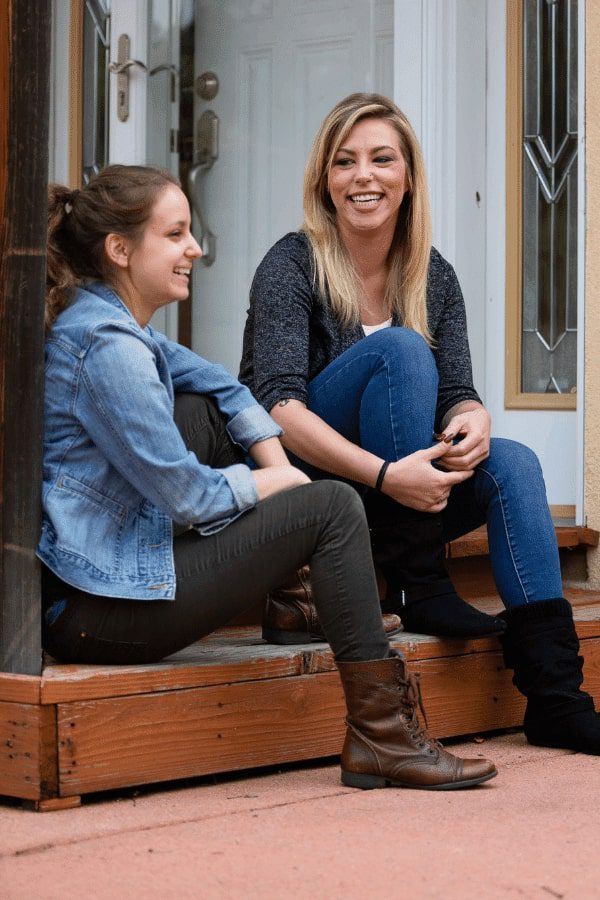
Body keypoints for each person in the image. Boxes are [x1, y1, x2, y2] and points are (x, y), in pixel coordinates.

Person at [39, 163, 496, 791]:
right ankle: (382, 733)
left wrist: (276, 461)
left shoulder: (116, 323)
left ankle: (306, 601)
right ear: (120, 250)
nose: (194, 248)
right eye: (175, 235)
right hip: (101, 610)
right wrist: (281, 486)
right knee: (333, 508)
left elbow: (227, 385)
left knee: (207, 411)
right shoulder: (108, 348)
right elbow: (192, 498)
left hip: (116, 578)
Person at [240, 93, 600, 755]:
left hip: (401, 494)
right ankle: (420, 580)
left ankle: (555, 696)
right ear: (325, 179)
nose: (362, 176)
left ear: (408, 178)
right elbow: (276, 408)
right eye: (344, 162)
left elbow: (458, 392)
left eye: (381, 159)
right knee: (402, 349)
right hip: (319, 493)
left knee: (514, 462)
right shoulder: (291, 265)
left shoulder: (432, 276)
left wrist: (474, 419)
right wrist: (386, 474)